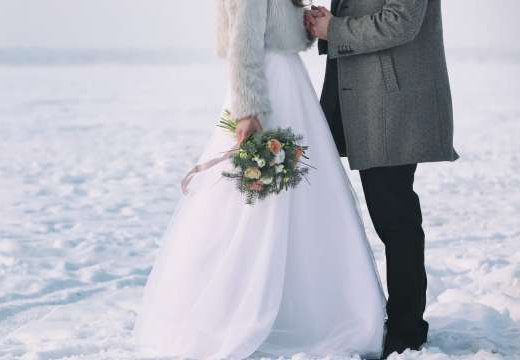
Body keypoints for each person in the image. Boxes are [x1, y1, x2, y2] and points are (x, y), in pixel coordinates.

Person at [133, 0, 387, 358]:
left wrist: (305, 22)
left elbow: (276, 30)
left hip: (288, 81)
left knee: (299, 197)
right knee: (257, 199)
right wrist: (248, 110)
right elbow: (243, 43)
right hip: (267, 89)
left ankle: (303, 306)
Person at [305, 0, 459, 357]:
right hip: (361, 98)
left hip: (391, 105)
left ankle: (407, 331)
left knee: (395, 218)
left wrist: (335, 30)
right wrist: (319, 25)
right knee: (384, 215)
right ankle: (388, 321)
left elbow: (401, 22)